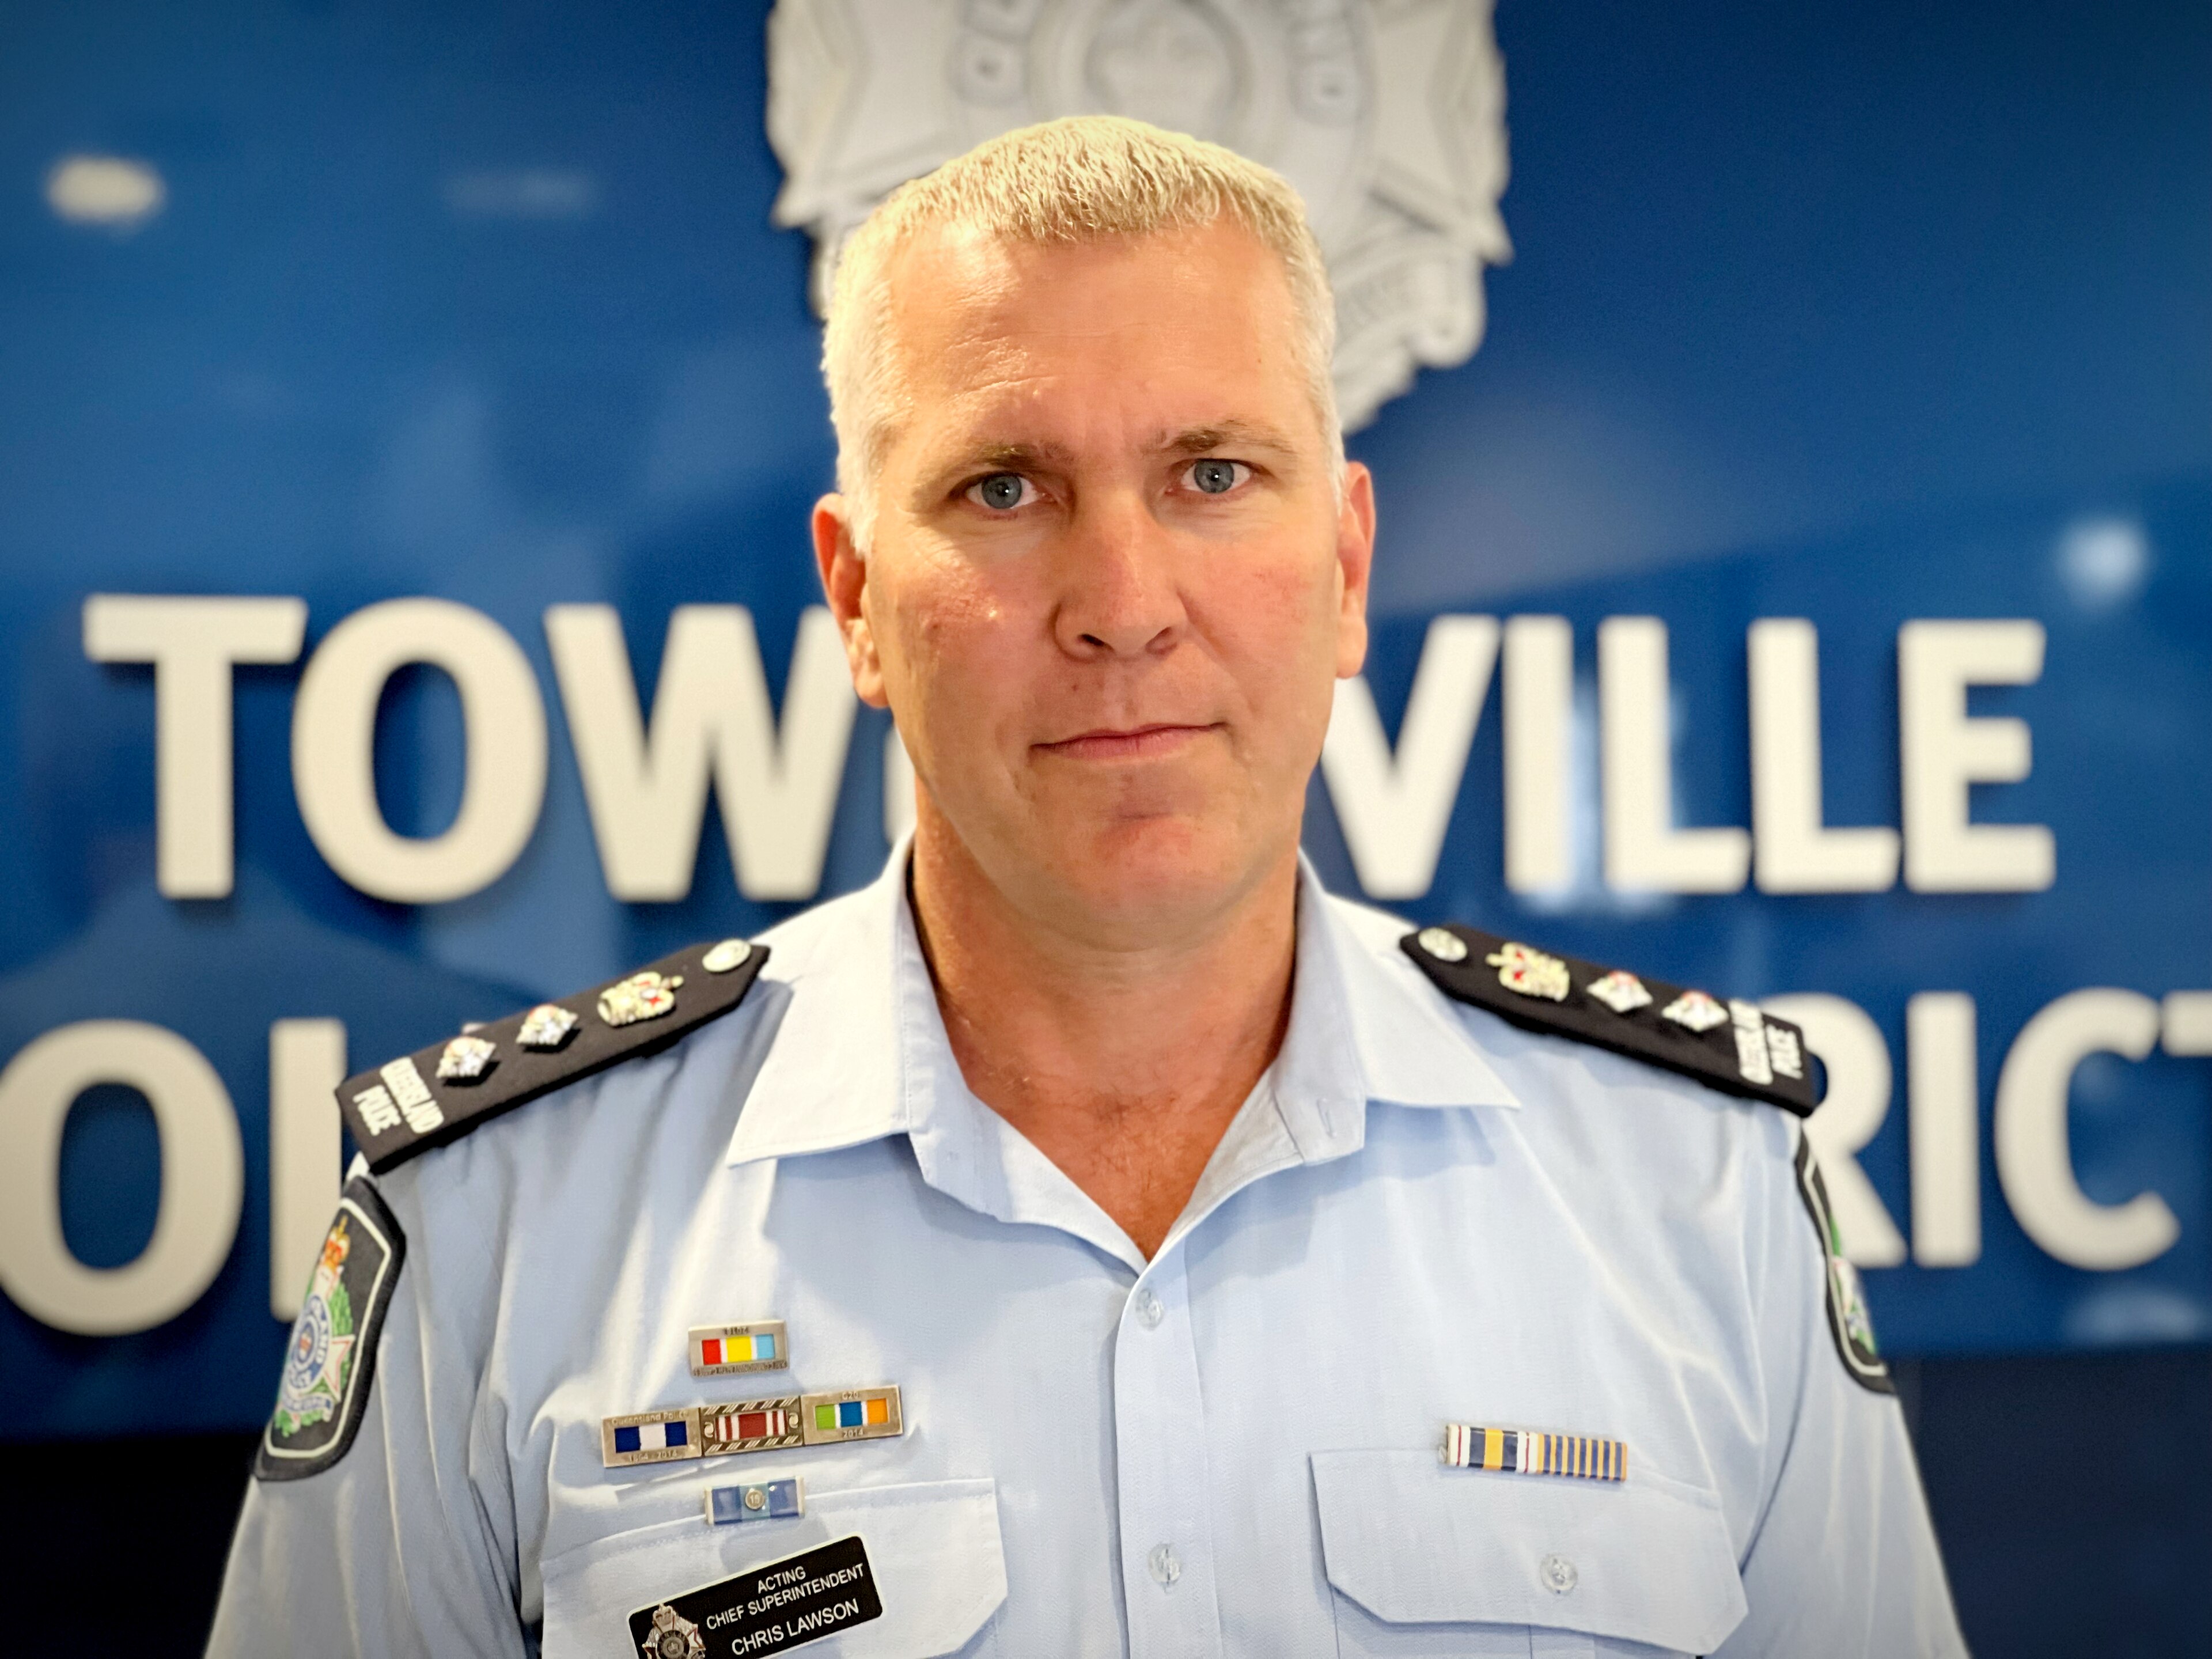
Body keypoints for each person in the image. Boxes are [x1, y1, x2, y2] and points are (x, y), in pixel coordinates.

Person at [208, 116, 1965, 1657]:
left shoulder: (1689, 1189)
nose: (1123, 600)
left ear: (1346, 566)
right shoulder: (509, 1226)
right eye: (1004, 486)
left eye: (1214, 475)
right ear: (855, 601)